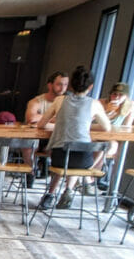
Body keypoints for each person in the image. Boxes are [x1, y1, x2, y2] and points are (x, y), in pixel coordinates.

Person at [36, 64, 111, 210]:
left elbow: (41, 124)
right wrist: (86, 125)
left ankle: (50, 195)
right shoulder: (94, 104)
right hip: (84, 161)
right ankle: (69, 190)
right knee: (77, 153)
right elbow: (107, 127)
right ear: (91, 87)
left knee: (65, 155)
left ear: (70, 85)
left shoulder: (59, 101)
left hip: (59, 157)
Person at [21, 71, 69, 182]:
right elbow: (31, 118)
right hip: (36, 138)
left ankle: (53, 181)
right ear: (50, 85)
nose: (63, 88)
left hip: (55, 139)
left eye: (65, 84)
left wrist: (43, 119)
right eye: (59, 84)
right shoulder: (37, 101)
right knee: (28, 146)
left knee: (61, 149)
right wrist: (54, 118)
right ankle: (30, 173)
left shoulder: (68, 102)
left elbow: (67, 120)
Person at [96, 82, 134, 188]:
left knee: (108, 146)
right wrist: (107, 112)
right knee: (102, 146)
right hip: (95, 136)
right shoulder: (100, 103)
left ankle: (87, 175)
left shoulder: (131, 106)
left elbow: (126, 127)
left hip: (111, 138)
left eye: (121, 95)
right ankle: (89, 176)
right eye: (114, 94)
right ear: (110, 94)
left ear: (126, 97)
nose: (117, 97)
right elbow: (92, 122)